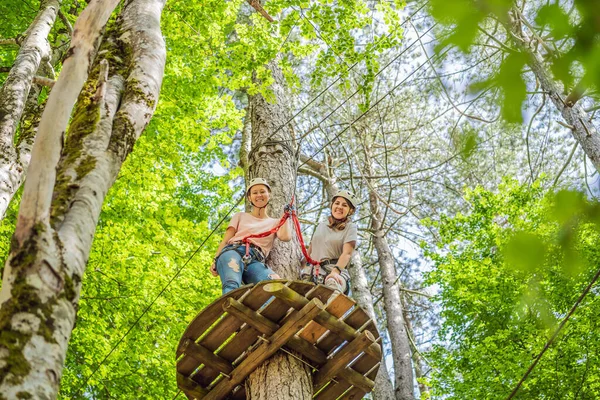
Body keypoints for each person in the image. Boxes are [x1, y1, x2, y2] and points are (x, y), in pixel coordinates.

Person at [210, 178, 292, 294]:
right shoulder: (240, 216)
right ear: (249, 198)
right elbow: (225, 241)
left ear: (269, 195)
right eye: (255, 193)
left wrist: (286, 216)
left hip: (255, 259)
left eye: (262, 191)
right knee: (232, 283)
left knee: (274, 285)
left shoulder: (275, 222)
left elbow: (285, 237)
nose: (259, 195)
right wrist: (215, 260)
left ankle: (268, 311)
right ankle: (231, 310)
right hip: (234, 251)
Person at [302, 190, 358, 293]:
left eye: (344, 205)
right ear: (332, 205)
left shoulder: (351, 227)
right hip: (313, 272)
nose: (339, 207)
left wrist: (335, 272)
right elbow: (311, 249)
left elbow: (347, 253)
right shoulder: (321, 225)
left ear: (350, 211)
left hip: (335, 271)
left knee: (332, 284)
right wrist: (301, 266)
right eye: (337, 203)